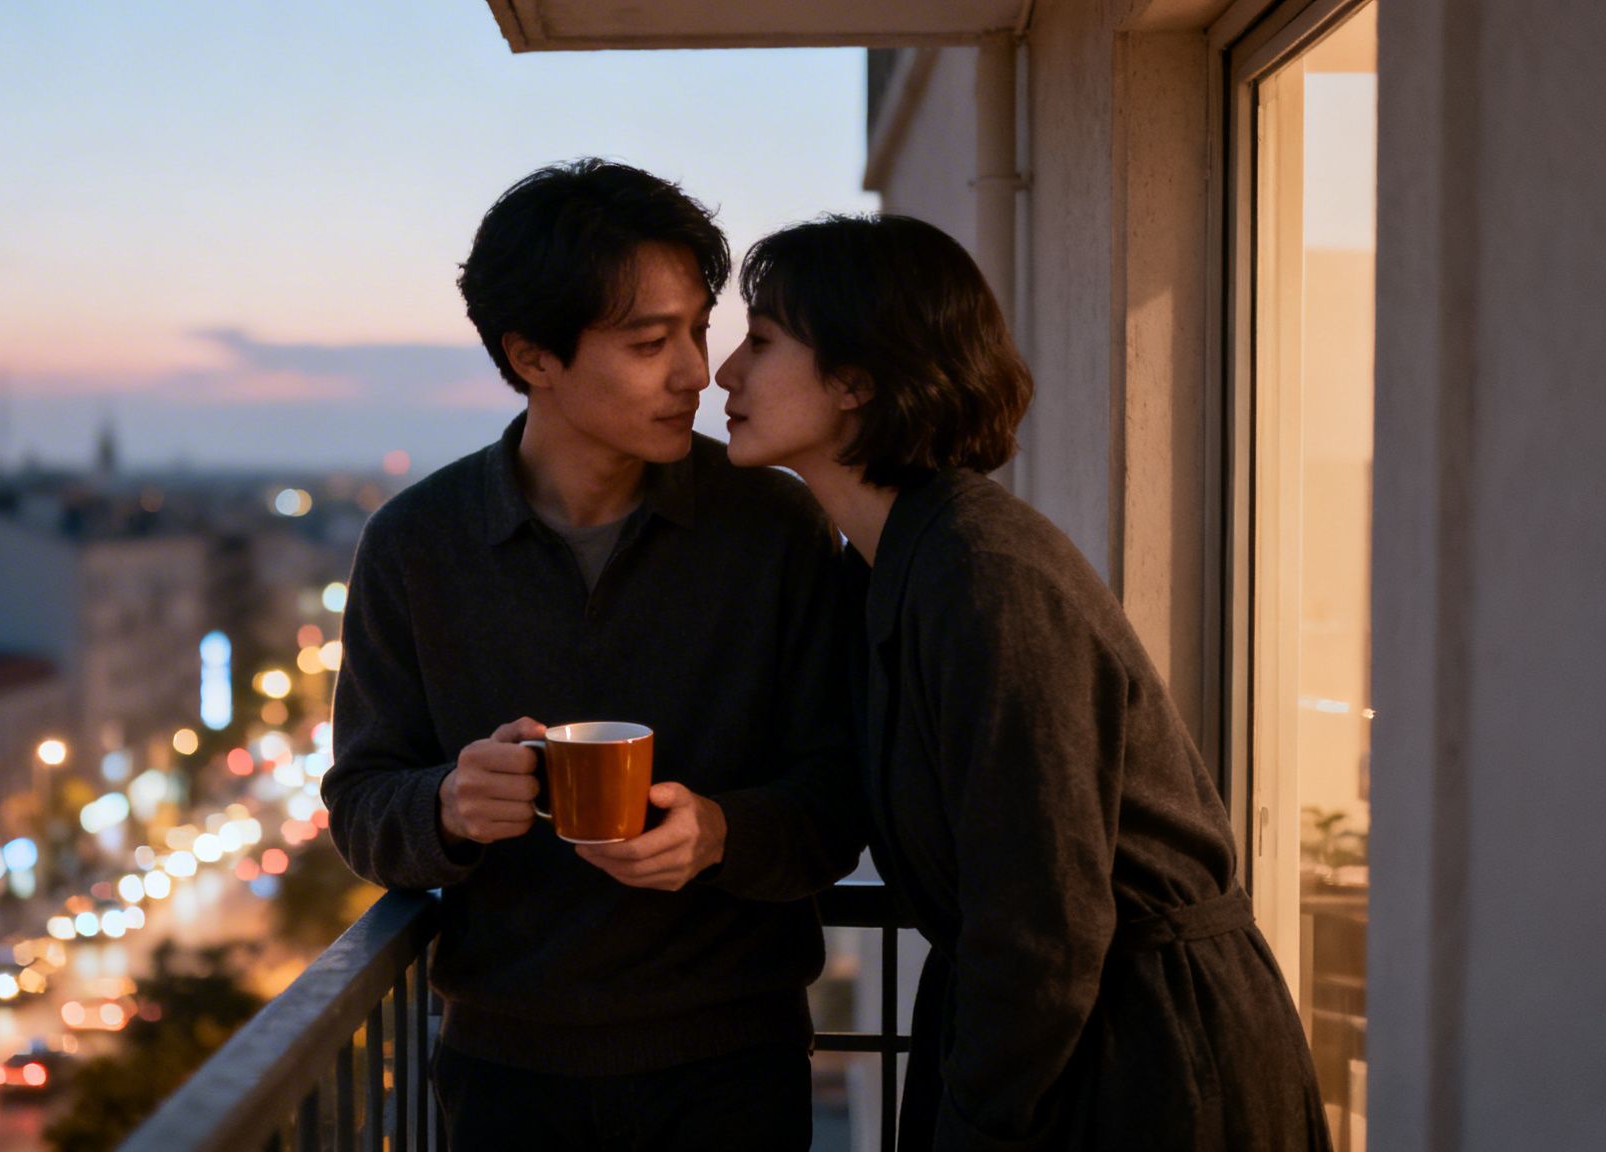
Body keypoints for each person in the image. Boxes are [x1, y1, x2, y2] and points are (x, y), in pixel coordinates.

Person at [715, 213, 1330, 1151]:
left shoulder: (979, 573)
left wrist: (971, 1124)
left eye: (759, 343)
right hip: (1069, 1038)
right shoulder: (888, 565)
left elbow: (1044, 921)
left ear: (856, 379)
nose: (726, 374)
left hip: (1146, 1060)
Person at [322, 159, 863, 1151]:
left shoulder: (772, 525)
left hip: (733, 1064)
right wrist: (445, 804)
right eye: (650, 342)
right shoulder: (416, 543)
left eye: (698, 329)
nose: (696, 372)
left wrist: (716, 834)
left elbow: (839, 796)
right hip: (503, 1072)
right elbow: (358, 808)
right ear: (533, 358)